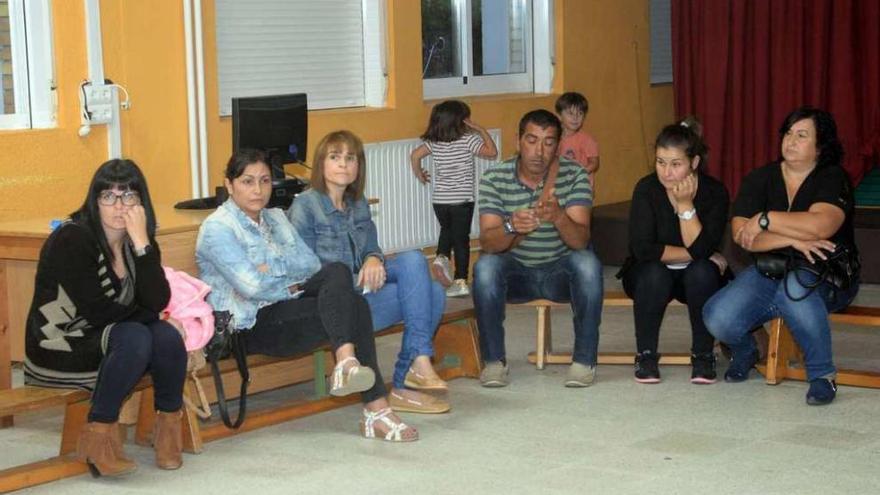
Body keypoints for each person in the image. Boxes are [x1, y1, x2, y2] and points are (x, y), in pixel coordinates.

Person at [196, 149, 417, 441]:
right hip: (251, 326)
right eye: (247, 181)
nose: (258, 189)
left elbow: (311, 265)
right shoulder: (217, 229)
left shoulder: (275, 217)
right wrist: (288, 278)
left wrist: (272, 270)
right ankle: (373, 407)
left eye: (264, 181)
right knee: (353, 304)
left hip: (286, 307)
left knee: (339, 274)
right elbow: (252, 287)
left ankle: (349, 366)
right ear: (229, 184)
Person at [24, 159, 186, 476]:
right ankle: (99, 435)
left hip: (109, 338)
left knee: (166, 337)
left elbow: (158, 299)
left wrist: (142, 245)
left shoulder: (137, 242)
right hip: (60, 343)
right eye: (107, 196)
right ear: (94, 201)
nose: (118, 206)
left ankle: (168, 431)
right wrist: (153, 318)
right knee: (140, 334)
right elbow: (98, 311)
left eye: (128, 197)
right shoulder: (73, 239)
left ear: (141, 203)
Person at [703, 106, 859, 406]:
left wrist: (765, 219)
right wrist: (792, 239)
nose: (791, 140)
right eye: (788, 133)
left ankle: (822, 375)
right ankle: (747, 350)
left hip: (826, 272)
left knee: (795, 292)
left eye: (802, 135)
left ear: (820, 146)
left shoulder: (832, 177)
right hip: (771, 268)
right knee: (717, 315)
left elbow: (821, 225)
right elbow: (741, 235)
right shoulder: (761, 178)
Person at [289, 130, 450, 414]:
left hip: (365, 292)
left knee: (423, 273)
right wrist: (362, 274)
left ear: (359, 166)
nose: (343, 164)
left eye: (350, 158)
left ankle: (413, 371)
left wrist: (374, 259)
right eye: (335, 157)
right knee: (430, 290)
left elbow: (370, 248)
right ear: (320, 164)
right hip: (340, 307)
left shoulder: (358, 202)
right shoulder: (306, 205)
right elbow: (304, 273)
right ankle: (412, 372)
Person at [473, 109, 603, 388]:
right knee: (484, 267)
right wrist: (511, 226)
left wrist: (558, 217)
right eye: (531, 140)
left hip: (560, 273)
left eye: (548, 142)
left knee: (588, 264)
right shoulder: (494, 178)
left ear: (558, 146)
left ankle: (584, 361)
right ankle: (494, 362)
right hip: (516, 275)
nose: (539, 151)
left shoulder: (575, 175)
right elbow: (487, 243)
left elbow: (581, 240)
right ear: (518, 141)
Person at [618, 118, 730, 384]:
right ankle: (645, 354)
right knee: (655, 272)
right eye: (660, 162)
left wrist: (685, 205)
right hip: (649, 273)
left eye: (675, 164)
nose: (666, 172)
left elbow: (704, 248)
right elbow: (643, 249)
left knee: (703, 272)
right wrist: (698, 252)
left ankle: (703, 355)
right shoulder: (646, 189)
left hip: (693, 275)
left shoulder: (715, 192)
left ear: (694, 163)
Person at [410, 100, 498, 297]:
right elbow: (492, 153)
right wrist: (481, 129)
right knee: (461, 241)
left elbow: (415, 156)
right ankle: (461, 281)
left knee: (447, 230)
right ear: (460, 121)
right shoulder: (468, 139)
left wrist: (420, 175)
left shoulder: (434, 142)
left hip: (440, 200)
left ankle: (441, 256)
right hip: (462, 200)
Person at [555, 92, 600, 189]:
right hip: (561, 185)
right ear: (559, 116)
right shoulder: (554, 138)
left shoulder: (587, 140)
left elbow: (594, 163)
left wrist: (579, 174)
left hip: (581, 186)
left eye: (580, 113)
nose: (575, 118)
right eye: (570, 113)